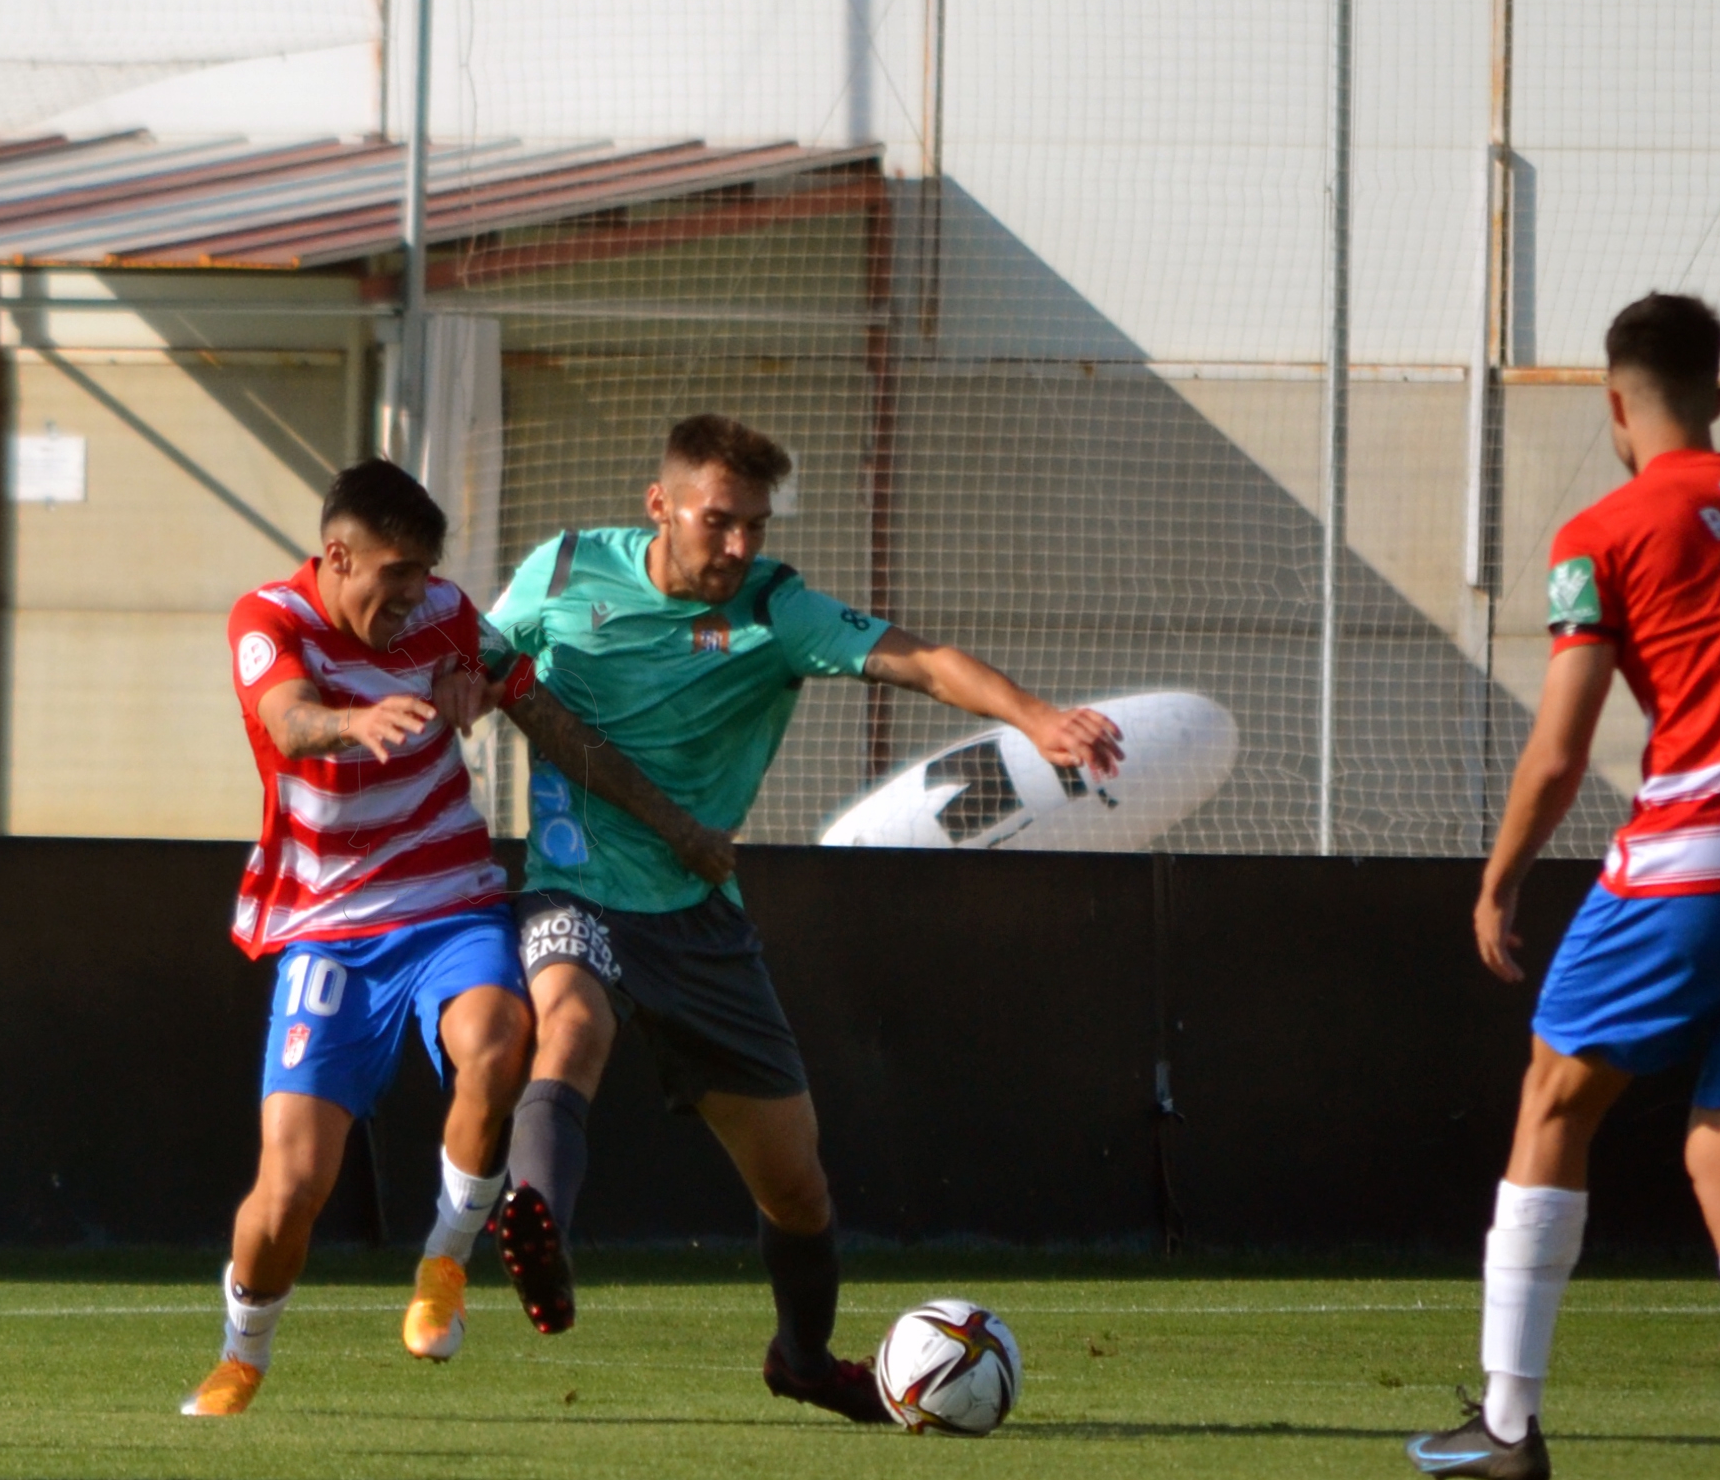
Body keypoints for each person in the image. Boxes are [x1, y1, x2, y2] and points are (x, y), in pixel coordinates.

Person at [484, 413, 1123, 1420]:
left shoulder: (775, 607)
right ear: (660, 505)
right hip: (575, 883)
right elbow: (472, 662)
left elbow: (918, 658)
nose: (738, 546)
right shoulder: (561, 571)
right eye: (718, 521)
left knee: (796, 1187)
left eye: (754, 525)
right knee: (570, 1023)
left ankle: (801, 1355)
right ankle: (538, 1225)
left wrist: (1036, 717)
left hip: (700, 915)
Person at [1410, 292, 1720, 1480]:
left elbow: (1560, 750)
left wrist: (1498, 878)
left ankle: (1507, 1420)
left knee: (1556, 1097)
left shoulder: (1602, 529)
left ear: (1614, 403)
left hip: (1698, 852)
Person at [185, 461, 541, 1416]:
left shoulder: (444, 611)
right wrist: (353, 720)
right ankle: (242, 1354)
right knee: (293, 1185)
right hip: (331, 932)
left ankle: (444, 1266)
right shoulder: (269, 619)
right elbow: (288, 722)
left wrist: (480, 688)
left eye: (426, 574)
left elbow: (503, 668)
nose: (414, 596)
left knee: (500, 1044)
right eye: (397, 575)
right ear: (338, 556)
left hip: (448, 900)